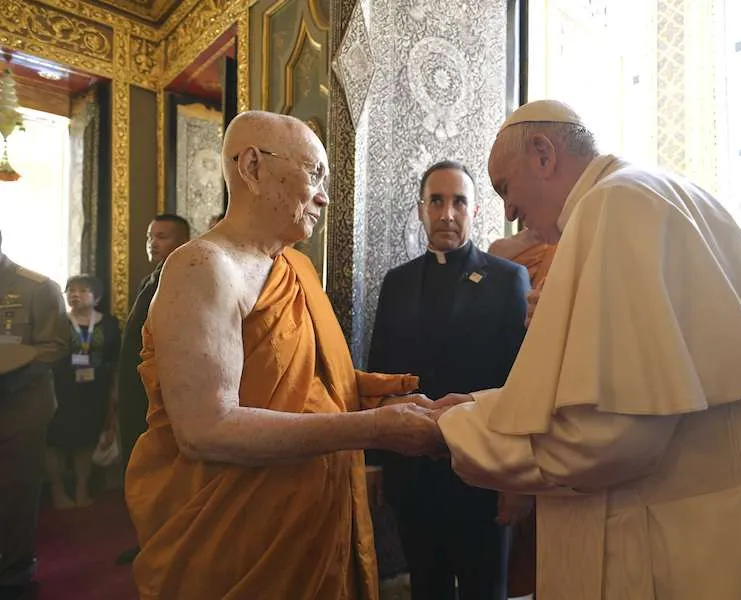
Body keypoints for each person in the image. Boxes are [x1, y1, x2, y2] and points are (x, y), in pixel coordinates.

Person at [431, 100, 741, 599]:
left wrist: (447, 430)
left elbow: (609, 435)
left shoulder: (615, 203)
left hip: (728, 537)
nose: (507, 212)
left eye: (504, 187)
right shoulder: (648, 187)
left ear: (543, 155)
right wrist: (483, 406)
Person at [125, 111, 442, 600]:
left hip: (311, 518)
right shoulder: (203, 266)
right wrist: (373, 429)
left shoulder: (296, 267)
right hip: (240, 539)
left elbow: (296, 375)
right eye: (315, 174)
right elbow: (206, 429)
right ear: (252, 167)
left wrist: (366, 394)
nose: (324, 196)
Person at [368, 160, 529, 600]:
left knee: (486, 590)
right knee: (426, 588)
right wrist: (374, 461)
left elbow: (520, 383)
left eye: (459, 202)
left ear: (474, 210)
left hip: (483, 473)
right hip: (413, 475)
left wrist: (515, 480)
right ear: (421, 209)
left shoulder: (508, 280)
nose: (447, 214)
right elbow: (379, 371)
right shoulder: (397, 283)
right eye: (436, 201)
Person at [487, 228, 555, 599]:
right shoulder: (504, 252)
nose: (511, 210)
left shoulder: (590, 238)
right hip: (519, 390)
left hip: (562, 399)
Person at [0, 230, 68, 593]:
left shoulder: (38, 287)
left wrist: (9, 370)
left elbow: (54, 347)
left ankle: (15, 573)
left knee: (15, 492)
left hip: (19, 406)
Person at [116, 214, 189, 471]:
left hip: (159, 384)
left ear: (183, 242)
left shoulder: (183, 280)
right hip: (135, 378)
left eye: (161, 237)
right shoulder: (150, 279)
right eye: (150, 237)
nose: (152, 243)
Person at [46, 275, 120, 509]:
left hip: (94, 392)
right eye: (70, 290)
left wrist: (114, 393)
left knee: (87, 440)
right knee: (55, 441)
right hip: (61, 390)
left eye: (82, 290)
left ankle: (81, 489)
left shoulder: (109, 323)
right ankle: (57, 491)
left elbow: (114, 359)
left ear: (96, 297)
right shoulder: (58, 322)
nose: (74, 294)